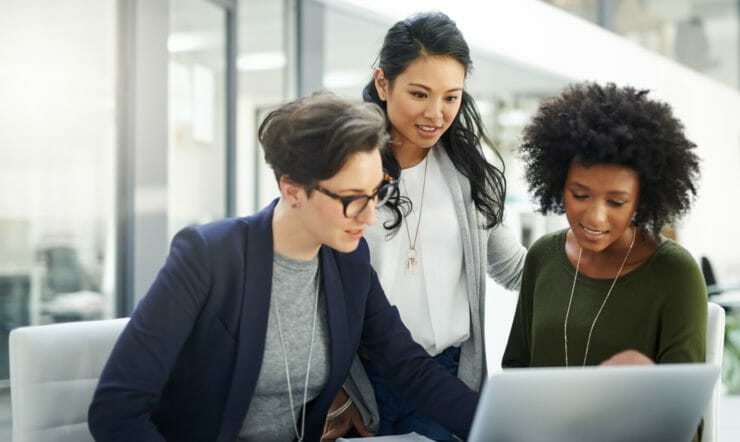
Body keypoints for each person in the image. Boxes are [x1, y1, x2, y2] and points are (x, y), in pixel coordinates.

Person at [87, 92, 479, 442]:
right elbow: (115, 411)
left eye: (377, 193)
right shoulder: (208, 257)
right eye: (353, 198)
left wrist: (500, 426)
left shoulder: (349, 262)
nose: (370, 216)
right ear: (292, 189)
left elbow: (408, 368)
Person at [323, 11, 526, 441]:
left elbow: (513, 268)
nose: (436, 113)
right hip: (363, 384)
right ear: (383, 83)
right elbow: (314, 287)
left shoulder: (471, 173)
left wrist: (597, 257)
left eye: (451, 97)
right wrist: (337, 391)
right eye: (419, 94)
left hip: (449, 379)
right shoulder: (343, 169)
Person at [502, 82, 707, 370]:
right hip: (540, 417)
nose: (595, 217)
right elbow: (516, 367)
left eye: (616, 202)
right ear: (559, 184)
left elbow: (682, 406)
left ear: (641, 199)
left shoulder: (675, 273)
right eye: (580, 195)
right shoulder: (543, 256)